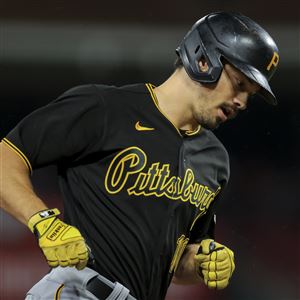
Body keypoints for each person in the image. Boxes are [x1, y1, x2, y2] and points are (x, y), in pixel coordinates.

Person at [0, 11, 279, 300]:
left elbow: (176, 263)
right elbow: (5, 157)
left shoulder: (215, 160)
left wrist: (201, 262)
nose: (243, 102)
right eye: (239, 84)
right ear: (203, 59)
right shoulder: (107, 109)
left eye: (251, 93)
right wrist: (43, 221)